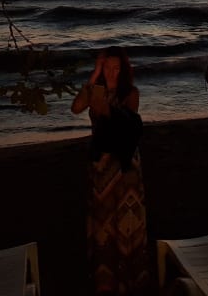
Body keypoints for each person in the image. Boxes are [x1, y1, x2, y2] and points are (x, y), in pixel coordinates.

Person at [71, 47, 148, 295]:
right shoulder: (97, 89)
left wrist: (100, 98)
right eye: (107, 67)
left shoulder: (130, 93)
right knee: (104, 222)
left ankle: (130, 279)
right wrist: (94, 78)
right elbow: (76, 108)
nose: (112, 72)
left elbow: (123, 121)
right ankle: (106, 281)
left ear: (123, 70)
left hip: (125, 162)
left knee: (126, 219)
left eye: (116, 68)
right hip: (102, 163)